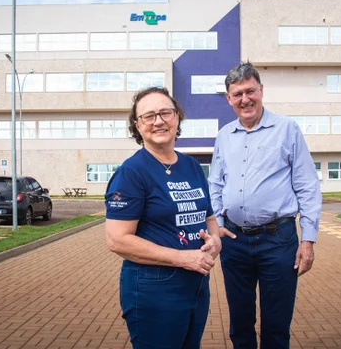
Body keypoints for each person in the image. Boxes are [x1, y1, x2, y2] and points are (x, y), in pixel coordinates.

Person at [209, 62, 322, 349]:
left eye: (250, 91)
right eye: (237, 94)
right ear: (228, 98)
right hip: (234, 243)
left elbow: (307, 185)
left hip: (279, 240)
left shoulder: (287, 129)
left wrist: (307, 239)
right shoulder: (223, 136)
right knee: (240, 323)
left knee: (276, 325)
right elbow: (216, 185)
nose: (245, 99)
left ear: (261, 90)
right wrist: (218, 226)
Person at [105, 87, 221, 349]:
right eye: (149, 116)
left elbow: (209, 217)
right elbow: (117, 240)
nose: (158, 121)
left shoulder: (191, 166)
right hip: (154, 289)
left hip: (197, 284)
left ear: (177, 117)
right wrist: (183, 258)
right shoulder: (132, 172)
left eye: (165, 112)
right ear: (137, 125)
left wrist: (215, 241)